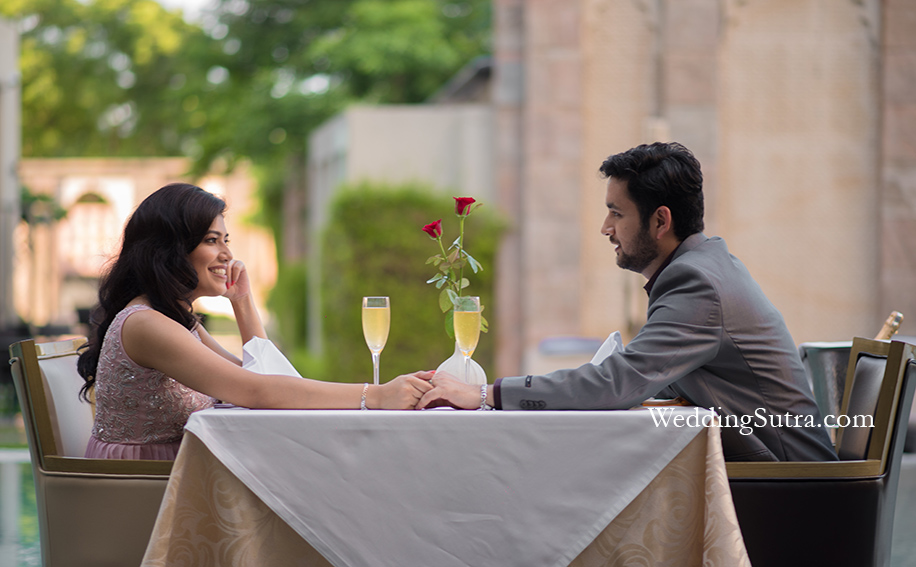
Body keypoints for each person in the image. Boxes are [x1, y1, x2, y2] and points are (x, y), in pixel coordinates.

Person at [419, 142, 837, 462]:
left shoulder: (697, 283)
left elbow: (615, 384)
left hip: (791, 490)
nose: (606, 228)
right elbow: (644, 380)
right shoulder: (705, 265)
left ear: (660, 220)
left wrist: (484, 394)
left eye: (616, 213)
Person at [77, 183, 433, 460]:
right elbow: (255, 392)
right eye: (212, 241)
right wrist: (376, 395)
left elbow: (260, 378)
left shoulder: (176, 318)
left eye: (226, 240)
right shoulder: (147, 324)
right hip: (139, 483)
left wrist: (242, 302)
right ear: (169, 249)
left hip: (179, 468)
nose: (227, 254)